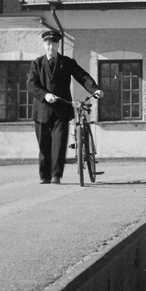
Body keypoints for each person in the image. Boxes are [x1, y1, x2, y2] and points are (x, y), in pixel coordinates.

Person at [27, 29, 102, 184]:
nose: (51, 47)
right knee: (44, 145)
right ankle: (44, 176)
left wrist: (95, 89)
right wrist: (45, 95)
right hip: (42, 110)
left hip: (61, 110)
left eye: (54, 44)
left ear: (58, 45)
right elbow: (31, 84)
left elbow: (82, 76)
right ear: (44, 45)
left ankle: (56, 175)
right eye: (48, 44)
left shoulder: (66, 62)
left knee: (59, 145)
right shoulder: (37, 63)